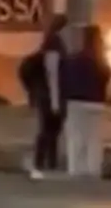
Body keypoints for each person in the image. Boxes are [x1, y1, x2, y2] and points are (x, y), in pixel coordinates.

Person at [63, 24, 111, 177]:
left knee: (76, 138)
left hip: (76, 103)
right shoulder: (100, 63)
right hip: (96, 103)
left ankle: (75, 169)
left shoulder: (73, 60)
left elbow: (65, 80)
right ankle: (93, 169)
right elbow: (106, 79)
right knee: (94, 139)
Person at [28, 14, 68, 180]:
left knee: (51, 130)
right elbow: (53, 75)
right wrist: (55, 101)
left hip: (45, 94)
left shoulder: (50, 42)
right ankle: (40, 163)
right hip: (49, 95)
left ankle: (49, 162)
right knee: (48, 130)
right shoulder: (54, 44)